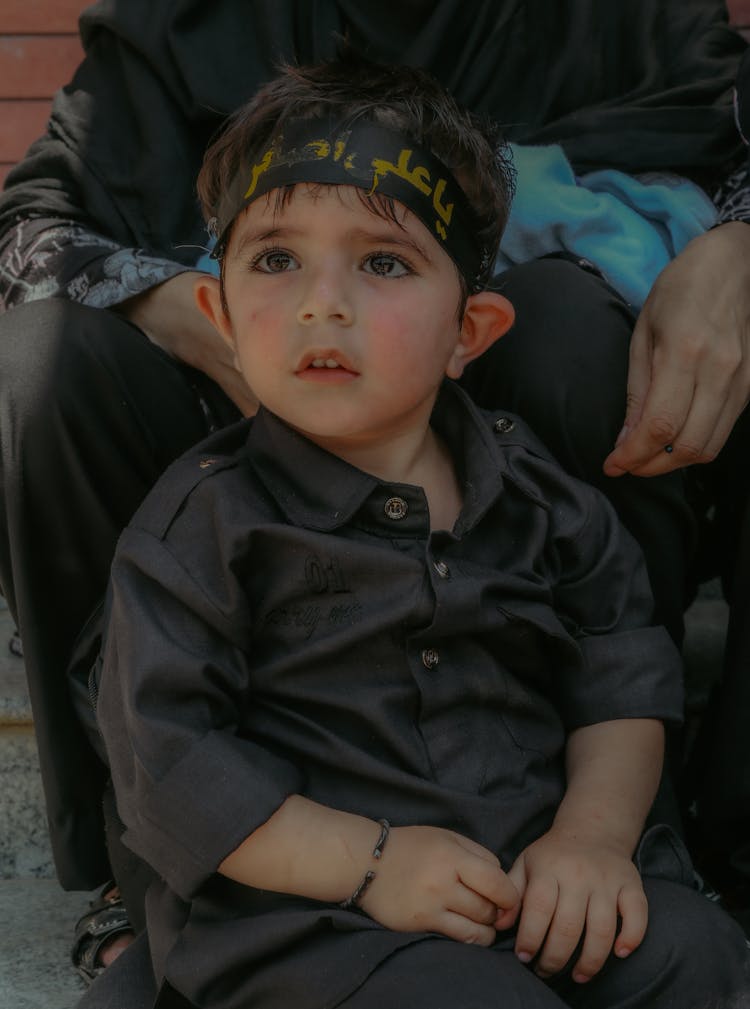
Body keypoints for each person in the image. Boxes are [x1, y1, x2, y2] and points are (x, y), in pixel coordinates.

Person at [1, 0, 749, 971]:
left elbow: (620, 643)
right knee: (39, 362)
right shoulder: (184, 24)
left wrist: (735, 248)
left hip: (509, 415)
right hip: (247, 434)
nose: (326, 295)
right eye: (281, 258)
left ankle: (612, 834)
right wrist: (218, 320)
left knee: (565, 320)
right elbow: (29, 226)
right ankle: (153, 868)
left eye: (376, 260)